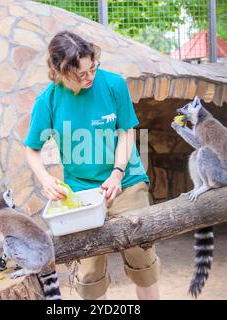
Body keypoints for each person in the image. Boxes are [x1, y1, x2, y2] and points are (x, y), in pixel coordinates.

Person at [24, 31, 160, 300]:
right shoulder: (48, 100)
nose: (90, 77)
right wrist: (45, 179)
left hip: (126, 182)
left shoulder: (114, 84)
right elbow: (31, 149)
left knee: (142, 260)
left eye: (92, 68)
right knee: (89, 274)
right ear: (60, 72)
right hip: (80, 193)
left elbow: (126, 131)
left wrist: (117, 173)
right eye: (81, 74)